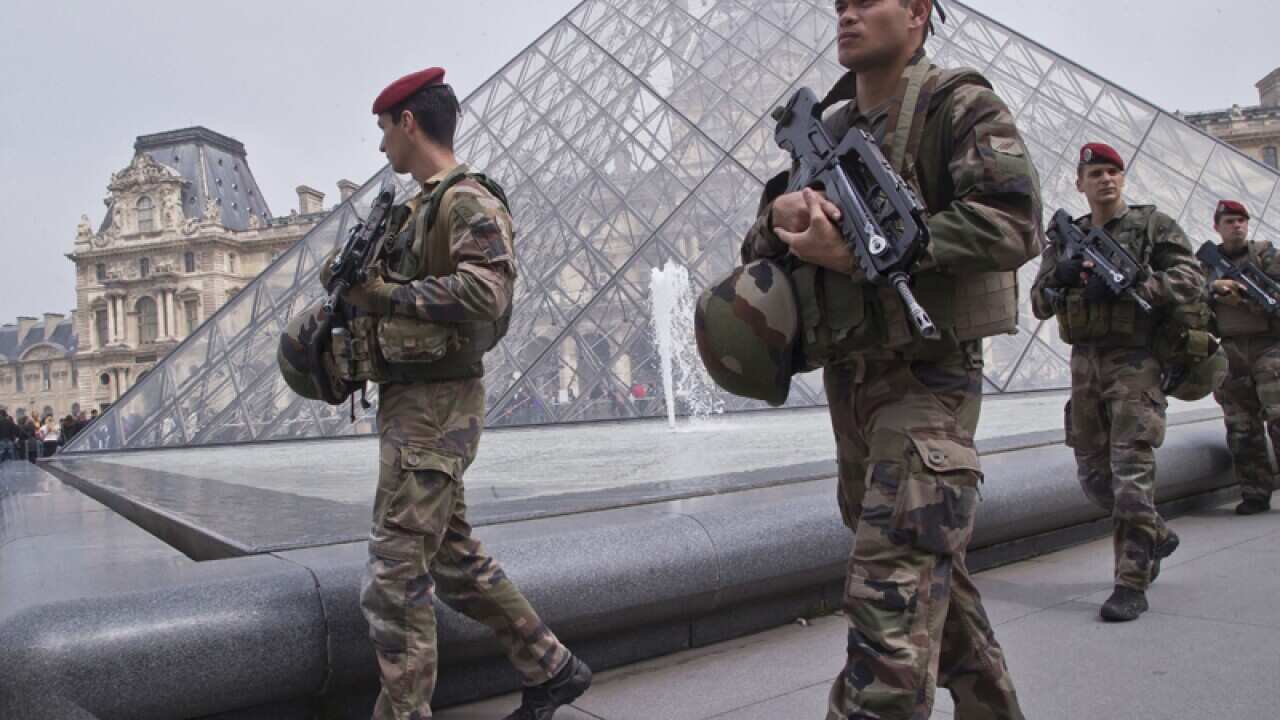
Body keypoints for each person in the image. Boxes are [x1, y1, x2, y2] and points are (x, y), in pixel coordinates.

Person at [739, 1, 1040, 716]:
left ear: (914, 13)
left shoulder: (957, 104)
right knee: (931, 579)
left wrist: (894, 247)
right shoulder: (833, 128)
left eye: (863, 2)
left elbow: (1013, 218)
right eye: (837, 5)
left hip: (928, 381)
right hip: (853, 383)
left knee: (886, 617)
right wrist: (779, 222)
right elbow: (759, 252)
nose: (844, 15)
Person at [331, 67, 590, 720]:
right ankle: (552, 666)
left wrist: (385, 294)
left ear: (409, 123)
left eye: (384, 129)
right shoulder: (419, 205)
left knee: (394, 581)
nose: (380, 144)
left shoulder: (466, 198)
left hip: (434, 409)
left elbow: (488, 290)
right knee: (453, 561)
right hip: (416, 404)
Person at [1031, 142, 1204, 622]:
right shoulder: (1067, 238)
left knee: (1130, 476)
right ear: (1079, 182)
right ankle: (1157, 532)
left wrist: (1137, 284)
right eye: (1096, 173)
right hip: (1084, 363)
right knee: (1093, 477)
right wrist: (1059, 278)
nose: (1106, 179)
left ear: (1122, 178)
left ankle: (1130, 582)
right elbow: (1038, 304)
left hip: (1135, 362)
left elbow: (1192, 278)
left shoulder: (1153, 226)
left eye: (1113, 171)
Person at [1202, 200, 1280, 515]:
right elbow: (1187, 295)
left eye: (1241, 221)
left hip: (1269, 347)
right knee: (1240, 426)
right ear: (1217, 226)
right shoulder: (1206, 264)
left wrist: (1245, 299)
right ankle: (1254, 493)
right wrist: (1213, 288)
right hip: (1231, 349)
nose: (1236, 226)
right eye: (1230, 221)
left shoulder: (1267, 257)